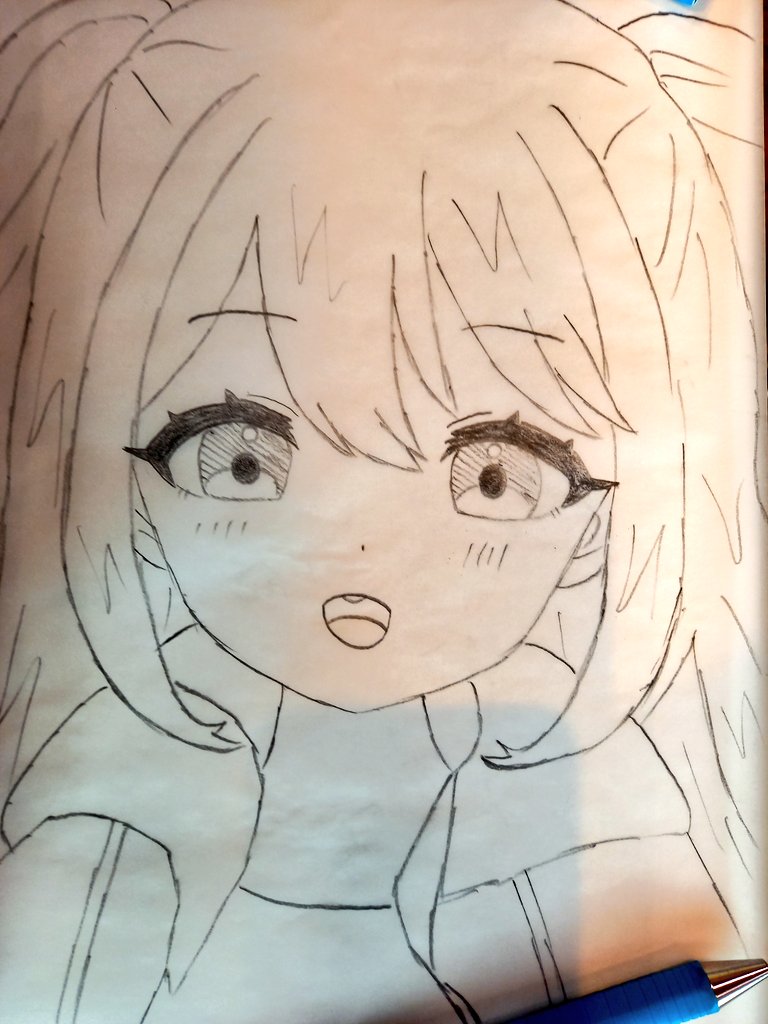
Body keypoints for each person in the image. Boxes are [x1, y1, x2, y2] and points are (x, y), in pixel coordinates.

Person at [0, 2, 763, 1022]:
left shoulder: (607, 846)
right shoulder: (93, 843)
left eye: (495, 476)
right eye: (239, 458)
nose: (359, 563)